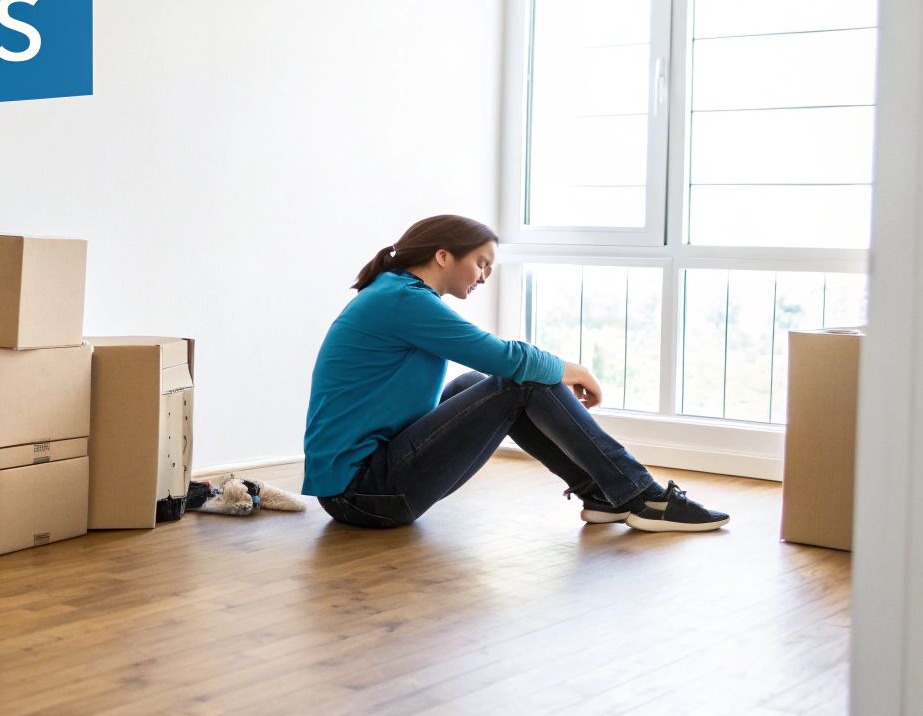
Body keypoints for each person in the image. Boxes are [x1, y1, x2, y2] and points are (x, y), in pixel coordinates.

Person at [302, 213, 730, 533]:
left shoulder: (395, 294)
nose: (485, 276)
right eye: (481, 263)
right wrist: (572, 369)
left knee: (479, 384)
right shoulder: (404, 301)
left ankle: (602, 494)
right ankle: (642, 495)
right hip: (366, 495)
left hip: (359, 488)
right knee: (518, 381)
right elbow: (506, 359)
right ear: (443, 255)